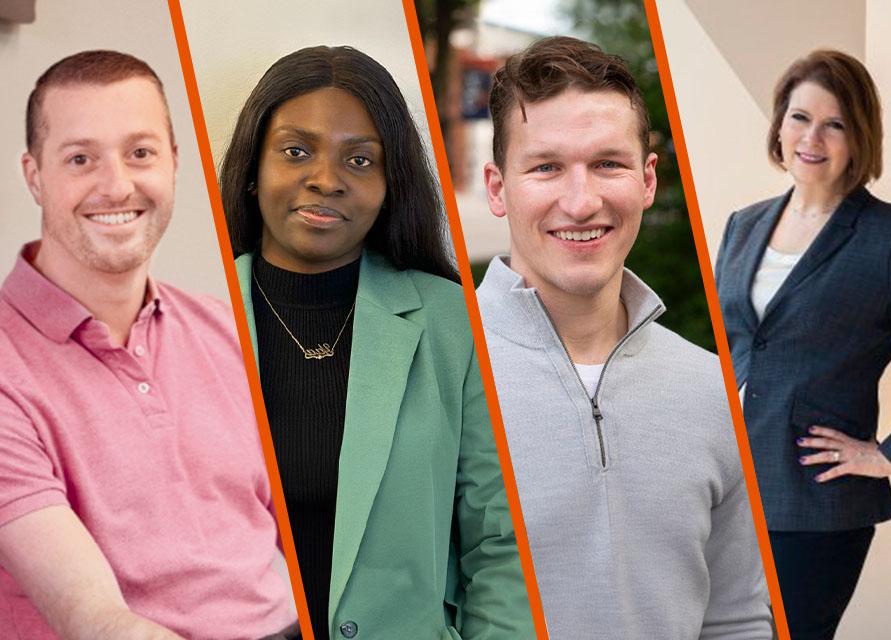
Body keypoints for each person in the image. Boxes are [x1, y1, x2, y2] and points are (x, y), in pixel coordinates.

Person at [218, 45, 535, 640]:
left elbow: (501, 543)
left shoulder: (454, 324)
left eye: (360, 160)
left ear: (391, 184)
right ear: (254, 165)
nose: (326, 179)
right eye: (296, 151)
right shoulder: (189, 312)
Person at [477, 36, 772, 639]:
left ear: (647, 179)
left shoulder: (712, 389)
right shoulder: (433, 374)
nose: (581, 202)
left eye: (607, 163)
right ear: (497, 188)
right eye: (546, 167)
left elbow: (736, 618)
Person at [0, 51, 299, 639]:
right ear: (34, 175)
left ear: (174, 163)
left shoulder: (232, 330)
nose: (116, 186)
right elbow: (97, 621)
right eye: (80, 159)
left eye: (140, 153)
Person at [714, 49, 891, 639]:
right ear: (779, 124)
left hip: (812, 506)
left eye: (835, 123)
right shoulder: (743, 224)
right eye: (800, 117)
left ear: (860, 137)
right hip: (723, 494)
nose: (812, 137)